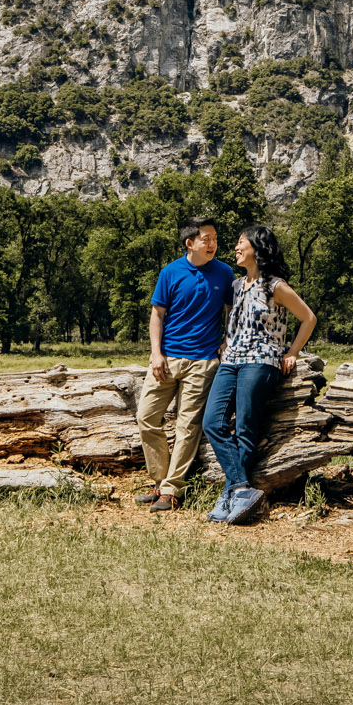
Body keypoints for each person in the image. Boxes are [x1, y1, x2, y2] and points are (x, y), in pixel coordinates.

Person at [202, 224, 318, 525]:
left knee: (245, 429)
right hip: (231, 361)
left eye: (241, 242)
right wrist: (227, 342)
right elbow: (235, 322)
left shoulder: (275, 286)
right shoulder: (237, 286)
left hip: (261, 361)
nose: (236, 247)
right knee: (212, 422)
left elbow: (308, 318)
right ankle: (241, 488)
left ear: (258, 248)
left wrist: (291, 352)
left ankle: (230, 494)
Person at [136, 216, 236, 513]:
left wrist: (227, 342)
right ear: (189, 242)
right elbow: (157, 315)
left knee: (187, 426)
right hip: (166, 359)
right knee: (146, 417)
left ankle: (171, 490)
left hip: (203, 362)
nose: (213, 244)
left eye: (215, 238)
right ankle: (159, 481)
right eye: (207, 239)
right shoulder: (170, 272)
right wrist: (155, 353)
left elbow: (232, 312)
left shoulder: (225, 273)